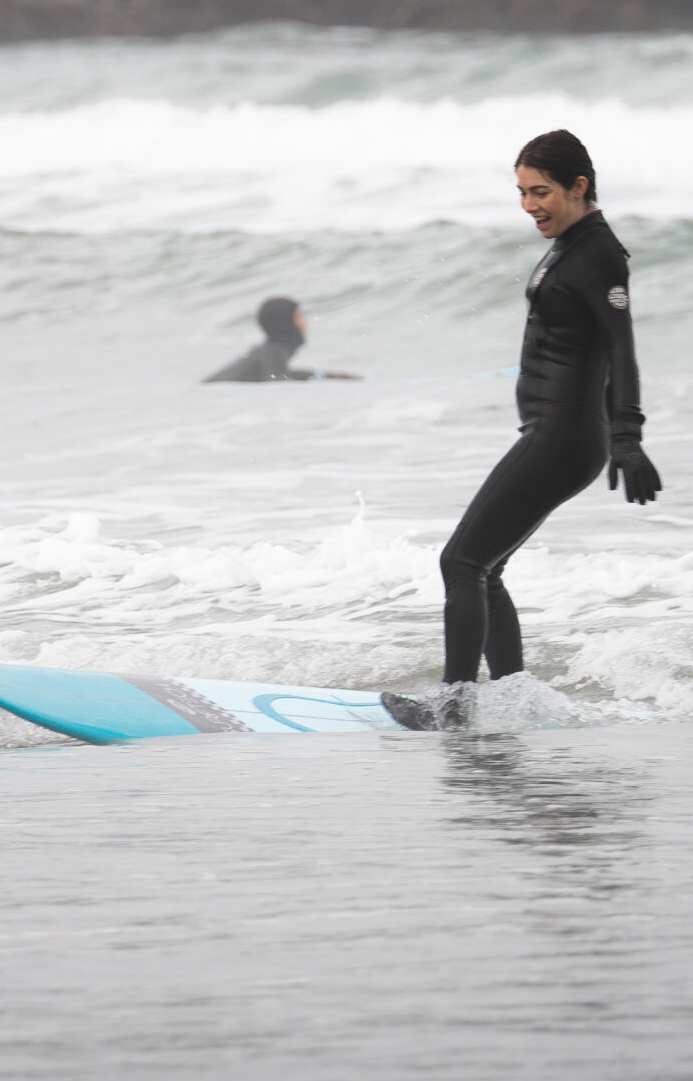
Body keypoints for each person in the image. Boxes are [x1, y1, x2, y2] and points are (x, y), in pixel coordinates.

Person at [384, 130, 660, 731]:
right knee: (484, 569)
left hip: (563, 436)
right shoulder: (571, 245)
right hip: (555, 432)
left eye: (541, 192)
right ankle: (513, 699)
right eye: (522, 192)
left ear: (578, 186)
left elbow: (621, 347)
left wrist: (628, 435)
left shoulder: (597, 254)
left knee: (460, 563)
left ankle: (453, 707)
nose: (529, 205)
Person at [204, 296, 353, 382]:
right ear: (285, 323)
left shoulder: (267, 352)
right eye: (299, 317)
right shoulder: (272, 352)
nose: (304, 324)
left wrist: (323, 376)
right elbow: (278, 382)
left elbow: (282, 375)